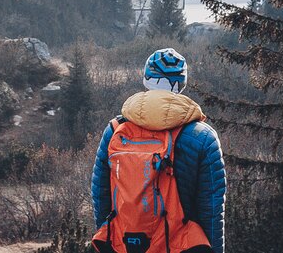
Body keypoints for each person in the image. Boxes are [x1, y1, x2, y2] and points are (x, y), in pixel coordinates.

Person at [90, 48, 226, 253]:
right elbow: (212, 210)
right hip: (181, 246)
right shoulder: (203, 137)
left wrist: (110, 240)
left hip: (124, 245)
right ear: (180, 84)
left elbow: (101, 194)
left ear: (146, 79)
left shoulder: (115, 130)